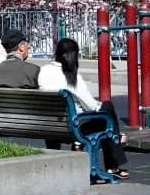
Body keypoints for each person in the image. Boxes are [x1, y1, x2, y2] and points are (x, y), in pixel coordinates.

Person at [38, 38, 129, 179]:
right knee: (107, 110)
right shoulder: (73, 77)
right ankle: (112, 163)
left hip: (50, 125)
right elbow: (91, 106)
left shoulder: (43, 71)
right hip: (73, 127)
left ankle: (108, 145)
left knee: (104, 114)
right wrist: (101, 105)